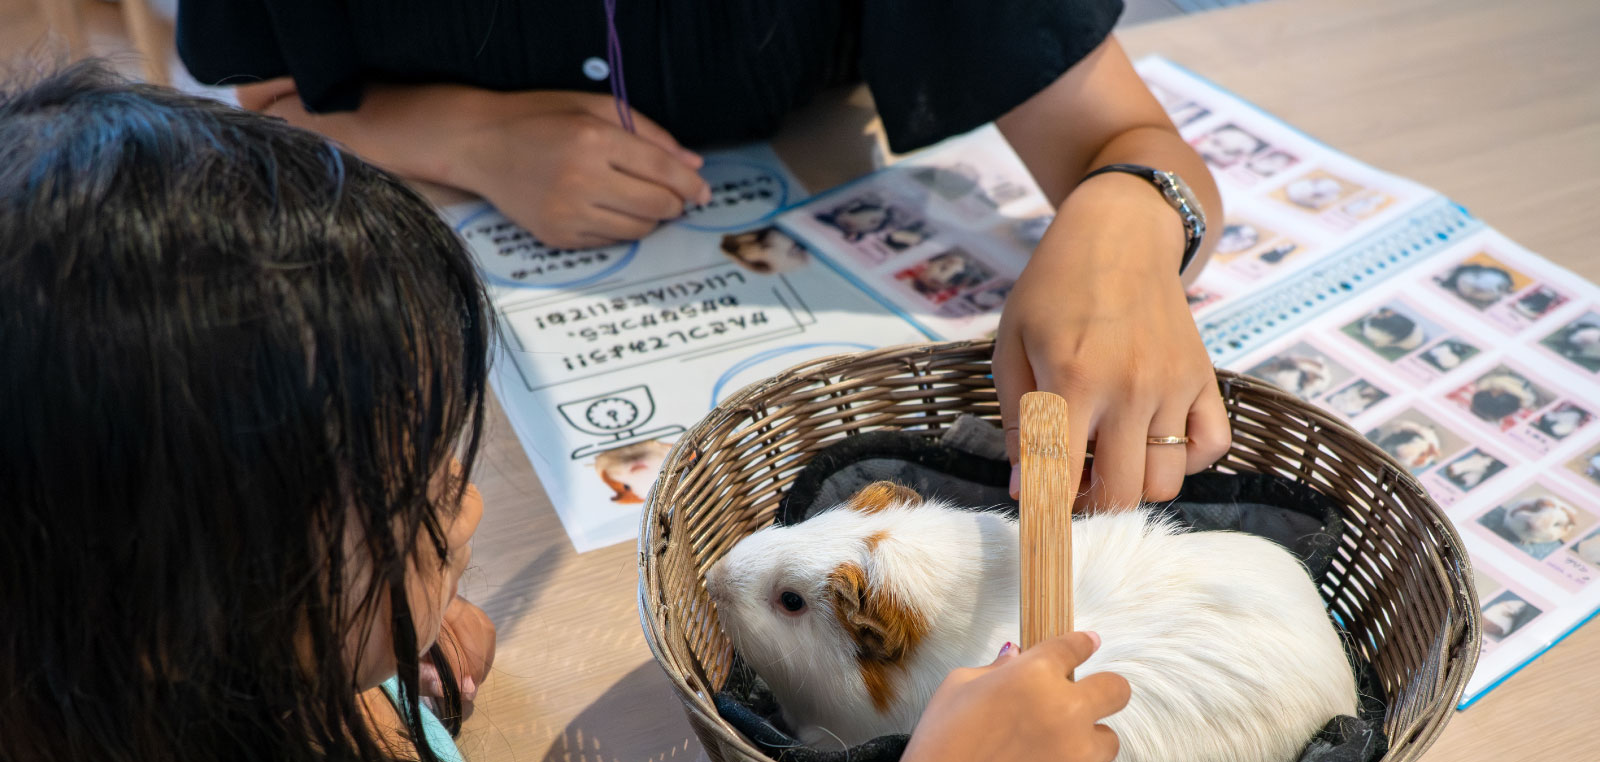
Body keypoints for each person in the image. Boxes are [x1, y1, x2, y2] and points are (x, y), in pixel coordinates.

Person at [2, 68, 1130, 762]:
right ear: (201, 616)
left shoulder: (96, 709)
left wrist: (378, 648)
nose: (471, 505)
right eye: (409, 502)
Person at [176, 0, 1229, 510]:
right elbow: (266, 108)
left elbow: (1127, 143)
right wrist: (471, 140)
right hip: (486, 400)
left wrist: (1122, 230)